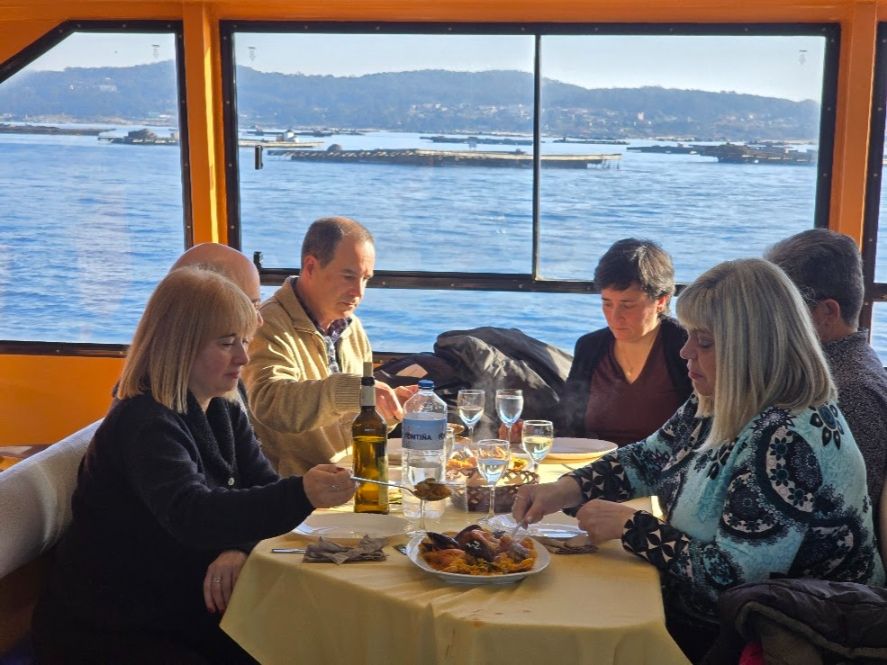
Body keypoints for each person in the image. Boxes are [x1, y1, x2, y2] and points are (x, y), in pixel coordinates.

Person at [513, 258, 884, 663]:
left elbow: (733, 579)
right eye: (689, 336)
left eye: (704, 342)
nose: (685, 351)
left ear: (753, 347)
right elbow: (650, 457)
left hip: (776, 637)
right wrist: (567, 487)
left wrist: (632, 527)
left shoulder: (788, 438)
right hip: (709, 614)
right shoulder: (723, 395)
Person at [33, 268, 355, 664]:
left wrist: (237, 546)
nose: (243, 356)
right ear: (180, 345)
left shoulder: (222, 406)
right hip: (113, 626)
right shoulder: (145, 422)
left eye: (243, 341)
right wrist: (302, 491)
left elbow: (259, 485)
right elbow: (193, 514)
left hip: (181, 604)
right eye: (225, 343)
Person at [243, 216, 414, 475]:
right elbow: (270, 404)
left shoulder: (352, 328)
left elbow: (351, 420)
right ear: (310, 267)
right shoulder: (268, 324)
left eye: (366, 279)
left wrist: (386, 411)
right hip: (300, 489)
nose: (359, 291)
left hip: (351, 475)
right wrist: (353, 391)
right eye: (348, 276)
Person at [766, 228, 887, 527]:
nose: (768, 322)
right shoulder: (823, 373)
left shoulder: (850, 392)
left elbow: (851, 514)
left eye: (781, 309)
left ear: (827, 312)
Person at [556, 238, 692, 445]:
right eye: (607, 303)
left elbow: (704, 429)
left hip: (664, 470)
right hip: (594, 469)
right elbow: (566, 425)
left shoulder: (685, 346)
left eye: (627, 305)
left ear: (661, 301)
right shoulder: (589, 347)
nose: (615, 316)